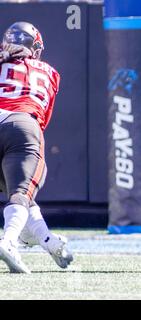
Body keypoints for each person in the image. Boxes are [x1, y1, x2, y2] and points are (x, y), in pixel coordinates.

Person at [0, 22, 73, 273]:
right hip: (22, 124)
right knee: (21, 192)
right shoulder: (51, 72)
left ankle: (48, 241)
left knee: (20, 195)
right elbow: (41, 118)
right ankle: (9, 241)